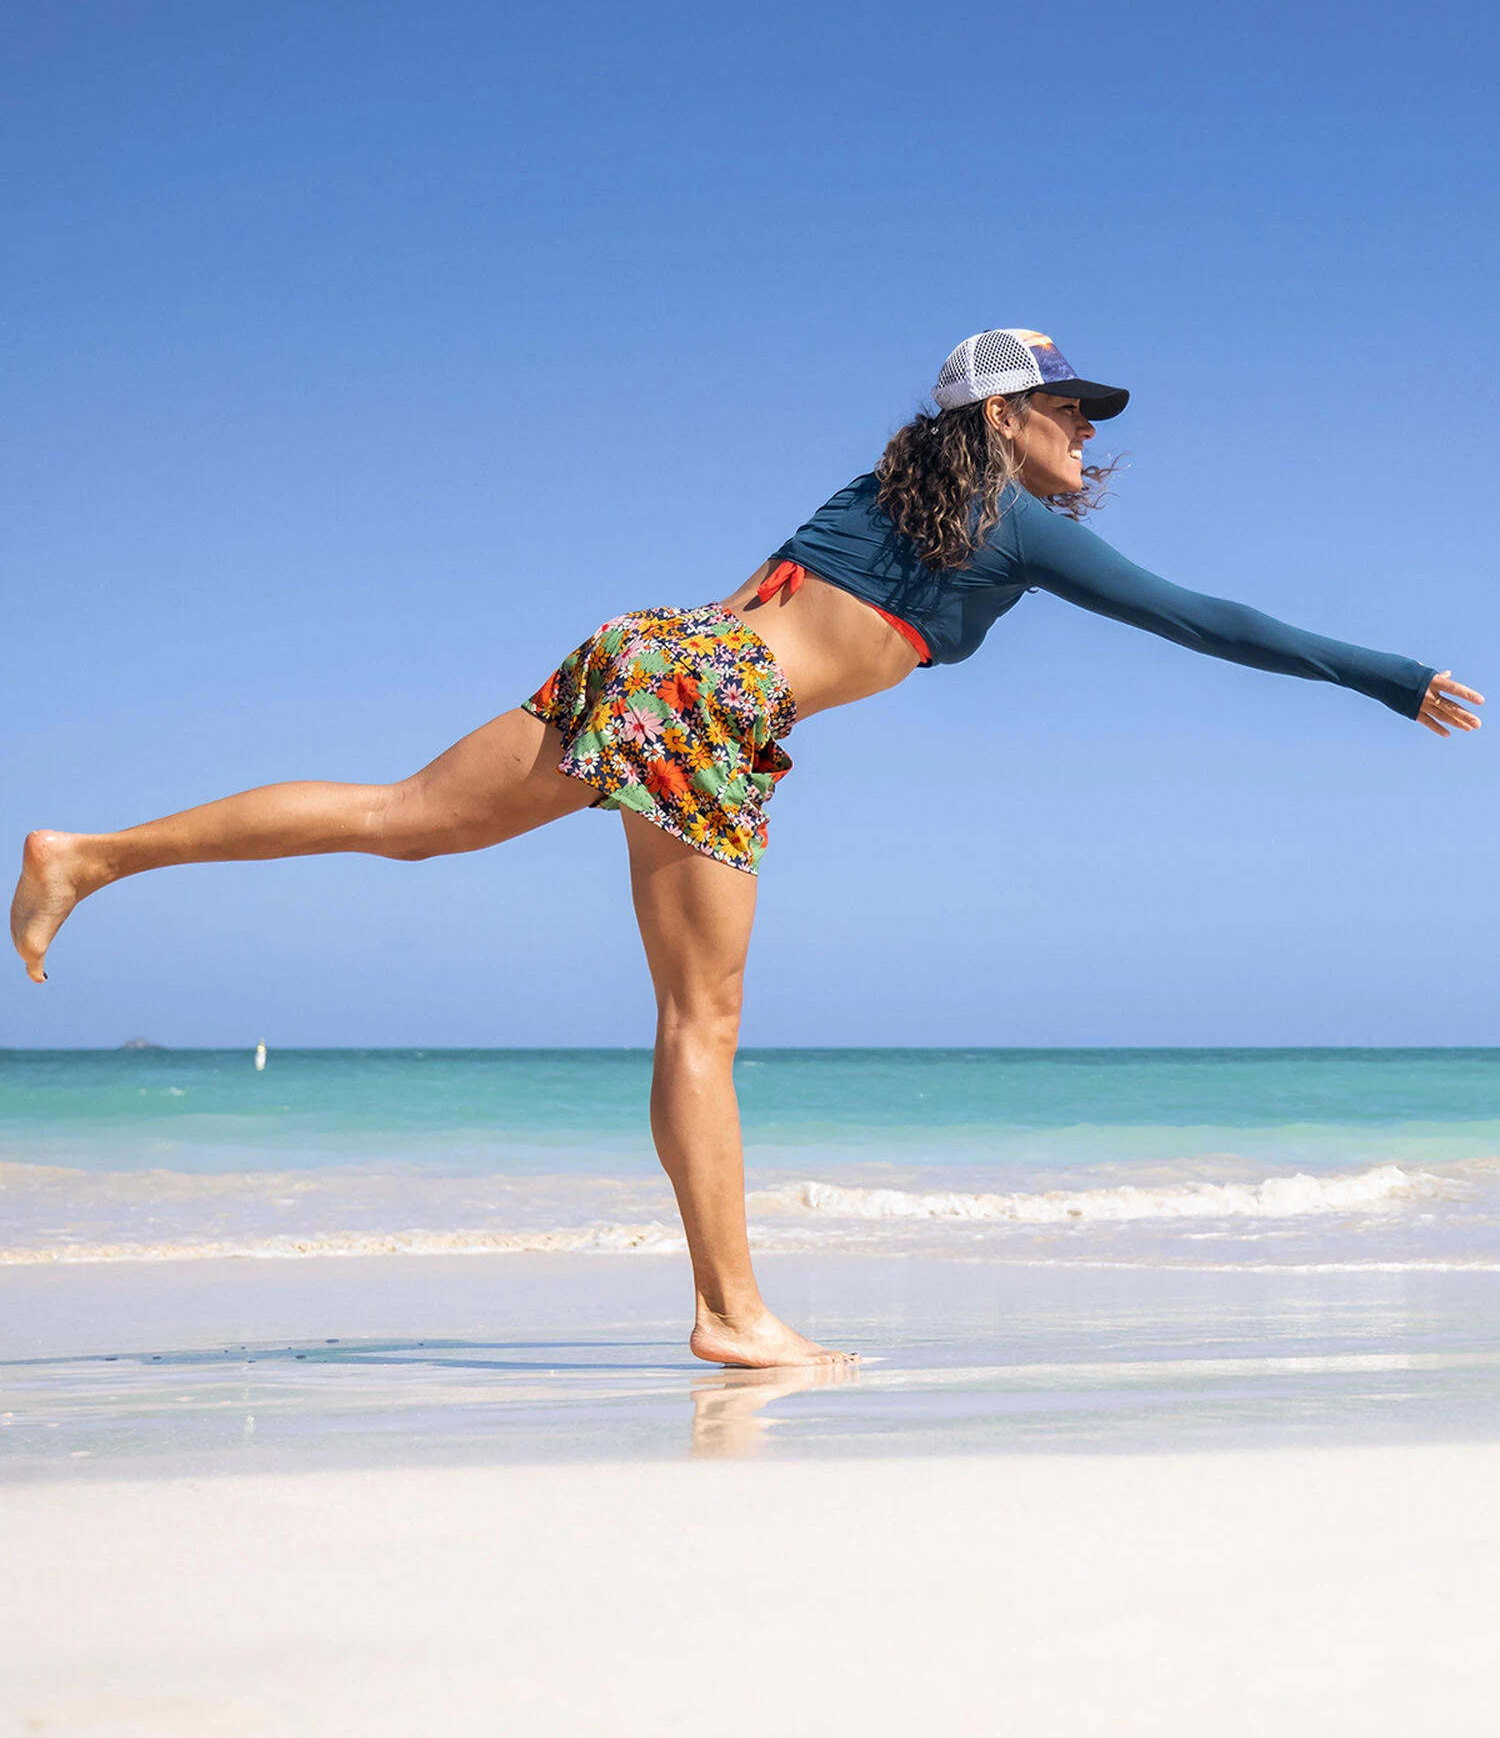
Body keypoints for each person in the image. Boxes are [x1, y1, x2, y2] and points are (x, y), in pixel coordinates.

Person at [10, 328, 1483, 1368]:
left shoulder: (883, 494)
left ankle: (92, 856)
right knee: (700, 1021)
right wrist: (1387, 675)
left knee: (404, 819)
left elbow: (787, 606)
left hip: (659, 653)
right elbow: (1199, 618)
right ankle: (731, 1311)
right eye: (1064, 409)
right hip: (712, 703)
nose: (1084, 433)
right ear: (997, 420)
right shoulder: (1011, 525)